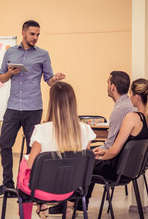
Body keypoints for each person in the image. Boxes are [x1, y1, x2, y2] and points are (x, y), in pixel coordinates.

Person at [0, 20, 66, 198]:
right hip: (13, 106)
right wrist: (10, 73)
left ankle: (29, 185)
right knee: (4, 144)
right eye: (32, 34)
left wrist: (56, 78)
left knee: (34, 148)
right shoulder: (10, 52)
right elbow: (1, 78)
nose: (35, 38)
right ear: (23, 33)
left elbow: (48, 80)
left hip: (33, 108)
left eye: (38, 34)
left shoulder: (43, 55)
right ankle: (7, 185)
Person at [49, 70, 136, 214]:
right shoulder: (127, 104)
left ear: (113, 87)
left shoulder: (120, 109)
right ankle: (79, 203)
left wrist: (99, 154)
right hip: (126, 164)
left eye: (108, 83)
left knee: (82, 162)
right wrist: (98, 152)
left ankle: (70, 202)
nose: (107, 86)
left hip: (116, 165)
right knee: (89, 157)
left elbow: (110, 146)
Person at [17, 81, 96, 219]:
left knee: (25, 163)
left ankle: (32, 211)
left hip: (41, 190)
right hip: (71, 190)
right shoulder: (86, 130)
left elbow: (31, 166)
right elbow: (83, 164)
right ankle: (69, 207)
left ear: (52, 103)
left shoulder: (41, 130)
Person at [87, 78, 148, 210]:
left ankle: (72, 205)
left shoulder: (132, 117)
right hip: (130, 171)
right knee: (89, 160)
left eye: (131, 94)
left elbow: (115, 151)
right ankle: (77, 204)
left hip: (115, 170)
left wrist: (101, 158)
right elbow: (127, 148)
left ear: (137, 97)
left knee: (82, 163)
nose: (129, 96)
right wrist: (104, 151)